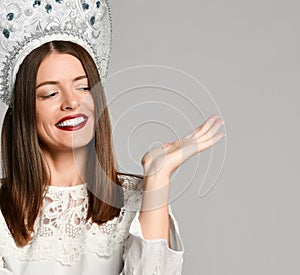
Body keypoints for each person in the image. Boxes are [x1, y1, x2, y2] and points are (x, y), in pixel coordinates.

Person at [0, 1, 225, 274]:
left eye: (83, 87)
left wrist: (158, 177)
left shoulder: (133, 202)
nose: (72, 102)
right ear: (23, 110)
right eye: (50, 93)